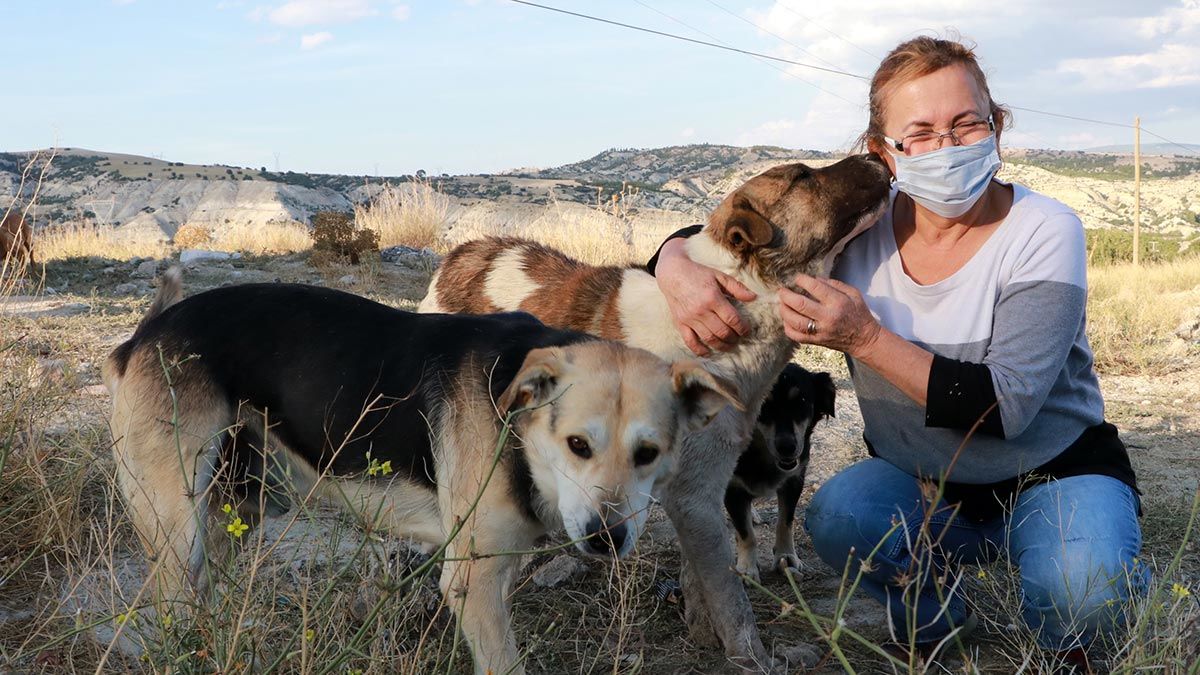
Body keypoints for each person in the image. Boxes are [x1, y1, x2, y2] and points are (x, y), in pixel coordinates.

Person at [648, 36, 1147, 663]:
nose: (948, 147)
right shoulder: (856, 236)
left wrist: (864, 336)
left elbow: (1006, 407)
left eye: (968, 123)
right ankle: (940, 617)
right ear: (884, 151)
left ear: (997, 127)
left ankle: (1098, 603)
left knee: (1082, 595)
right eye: (922, 131)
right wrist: (669, 260)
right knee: (838, 518)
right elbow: (732, 239)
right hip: (926, 483)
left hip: (1055, 474)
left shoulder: (1044, 231)